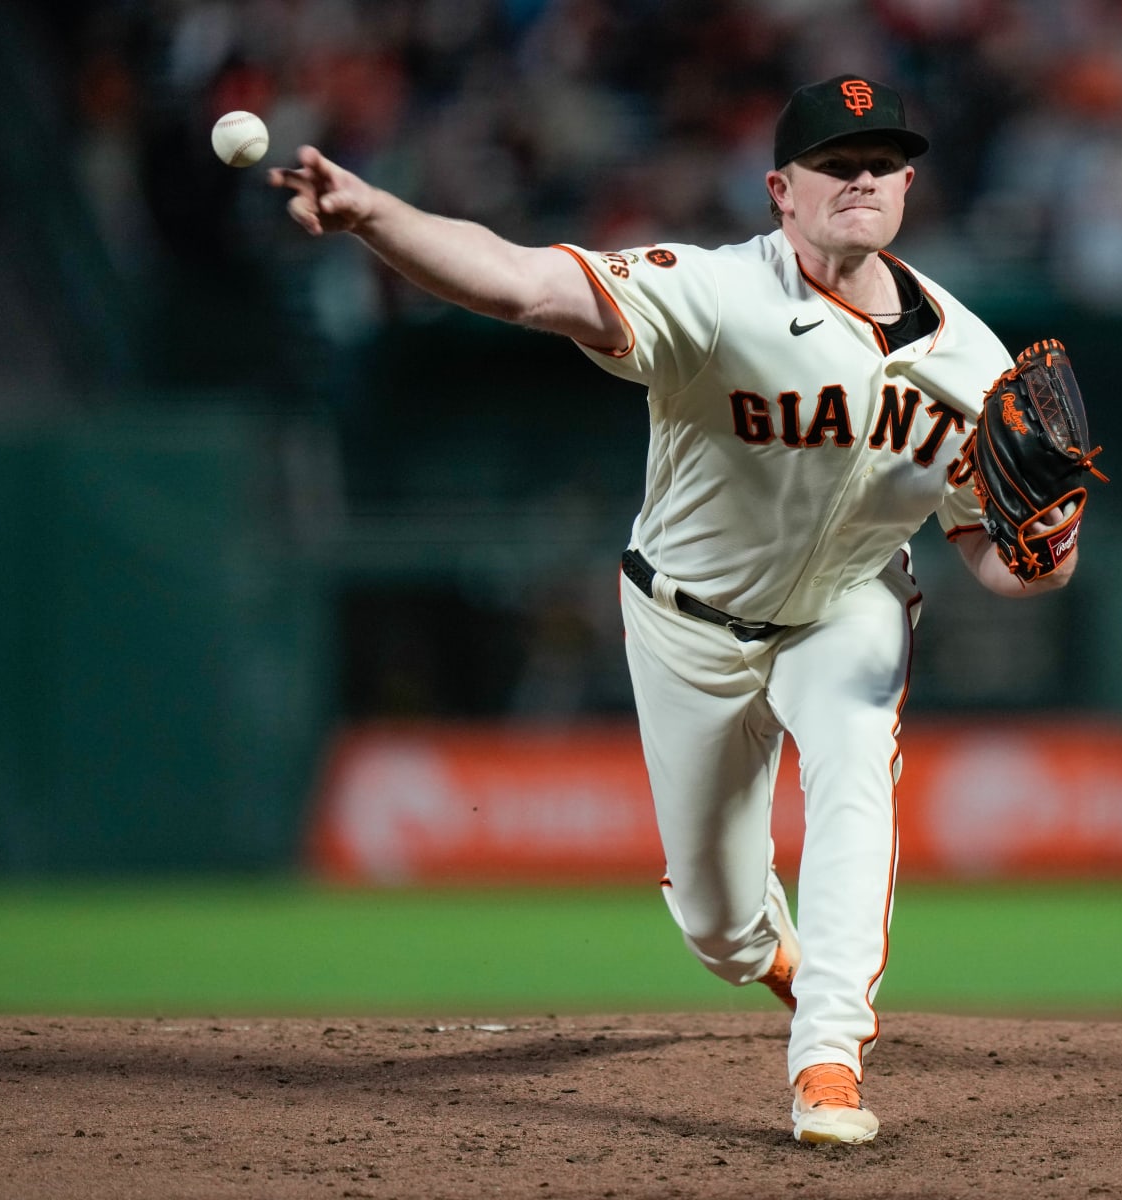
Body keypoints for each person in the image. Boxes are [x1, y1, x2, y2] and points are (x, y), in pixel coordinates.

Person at [271, 73, 1080, 1146]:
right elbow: (519, 284)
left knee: (854, 780)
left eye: (881, 163)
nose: (862, 179)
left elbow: (991, 546)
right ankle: (775, 960)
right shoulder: (711, 293)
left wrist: (1048, 554)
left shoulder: (975, 364)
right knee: (718, 929)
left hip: (849, 607)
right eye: (834, 164)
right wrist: (377, 214)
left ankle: (828, 1060)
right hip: (684, 621)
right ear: (779, 191)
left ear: (908, 187)